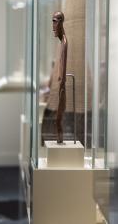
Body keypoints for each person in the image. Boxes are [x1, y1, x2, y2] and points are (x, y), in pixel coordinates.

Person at [52, 11, 68, 144]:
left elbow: (63, 68)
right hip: (60, 86)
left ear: (61, 22)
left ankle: (60, 140)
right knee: (57, 118)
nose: (53, 26)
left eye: (55, 21)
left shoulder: (64, 42)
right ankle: (59, 140)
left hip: (62, 87)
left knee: (58, 119)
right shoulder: (61, 42)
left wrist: (62, 81)